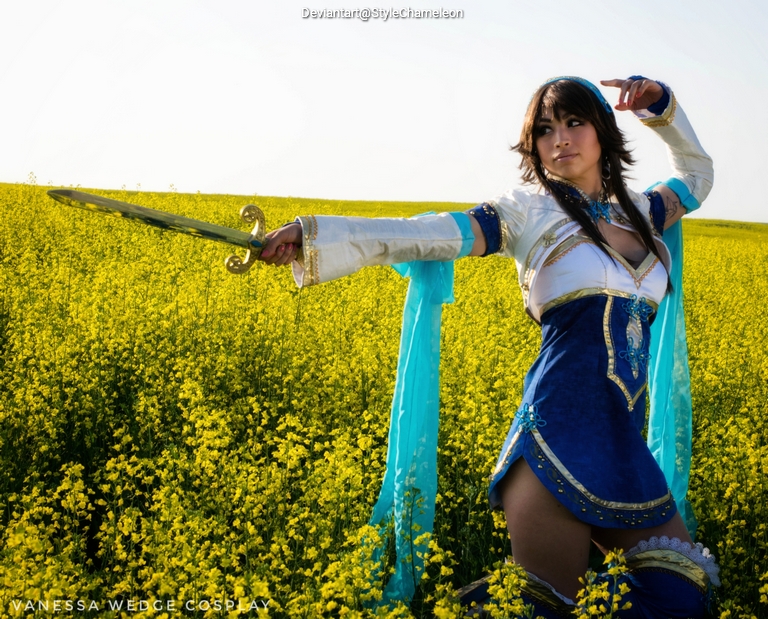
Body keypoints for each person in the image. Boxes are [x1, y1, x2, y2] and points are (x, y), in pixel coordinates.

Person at [257, 76, 720, 617]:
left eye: (575, 123)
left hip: (623, 441)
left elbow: (697, 175)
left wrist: (662, 107)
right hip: (556, 438)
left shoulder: (642, 211)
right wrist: (311, 236)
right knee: (546, 609)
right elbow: (423, 233)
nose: (561, 140)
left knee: (681, 595)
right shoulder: (526, 212)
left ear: (603, 131)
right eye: (545, 130)